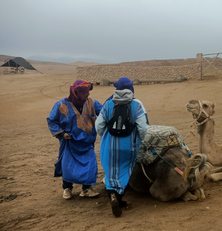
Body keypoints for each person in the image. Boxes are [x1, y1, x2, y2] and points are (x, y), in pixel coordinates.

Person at [95, 77, 148, 217]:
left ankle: (112, 193)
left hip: (109, 145)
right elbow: (143, 128)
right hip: (128, 145)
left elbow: (99, 126)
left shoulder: (108, 104)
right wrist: (143, 141)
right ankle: (118, 197)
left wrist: (105, 136)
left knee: (111, 170)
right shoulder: (137, 104)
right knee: (124, 171)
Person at [47, 79, 103, 200]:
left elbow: (104, 113)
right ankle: (67, 189)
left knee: (90, 164)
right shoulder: (61, 105)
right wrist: (62, 133)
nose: (88, 94)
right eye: (85, 92)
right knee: (68, 166)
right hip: (70, 142)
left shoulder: (92, 103)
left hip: (87, 142)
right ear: (76, 93)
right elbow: (52, 120)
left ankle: (86, 189)